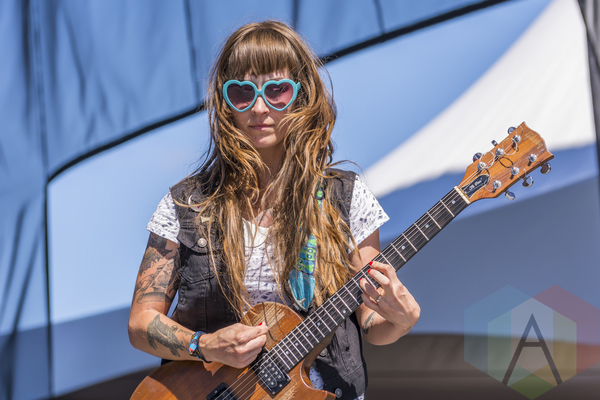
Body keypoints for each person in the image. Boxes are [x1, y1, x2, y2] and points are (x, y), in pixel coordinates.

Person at [128, 20, 420, 400]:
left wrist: (401, 320)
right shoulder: (187, 204)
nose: (259, 107)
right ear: (225, 102)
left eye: (277, 90)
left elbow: (371, 322)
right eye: (242, 92)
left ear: (301, 95)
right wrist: (206, 344)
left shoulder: (345, 197)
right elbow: (141, 323)